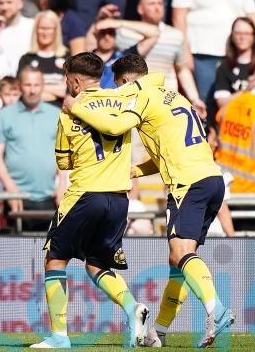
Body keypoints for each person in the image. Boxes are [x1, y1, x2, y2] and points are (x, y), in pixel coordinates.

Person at [65, 54, 235, 348]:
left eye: (118, 86)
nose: (118, 92)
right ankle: (158, 332)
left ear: (126, 80)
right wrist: (136, 170)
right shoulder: (173, 96)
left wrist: (76, 107)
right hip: (211, 179)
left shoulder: (141, 96)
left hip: (188, 183)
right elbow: (169, 149)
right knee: (178, 260)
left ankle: (215, 310)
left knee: (181, 252)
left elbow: (115, 127)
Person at [31, 53, 148, 349]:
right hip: (119, 199)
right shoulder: (122, 101)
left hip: (85, 195)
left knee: (55, 260)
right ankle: (133, 307)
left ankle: (59, 337)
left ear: (74, 81)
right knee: (96, 264)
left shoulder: (70, 109)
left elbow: (64, 162)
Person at [0, 67, 61, 225]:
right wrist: (10, 187)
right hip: (17, 197)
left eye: (36, 85)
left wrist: (63, 186)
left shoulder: (56, 114)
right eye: (28, 85)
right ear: (20, 86)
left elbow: (65, 155)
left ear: (43, 86)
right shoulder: (4, 116)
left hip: (51, 197)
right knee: (16, 241)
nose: (32, 90)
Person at [214, 17, 255, 109]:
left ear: (254, 36)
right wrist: (247, 89)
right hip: (238, 113)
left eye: (247, 33)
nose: (242, 37)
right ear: (232, 36)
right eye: (238, 33)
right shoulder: (224, 66)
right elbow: (221, 103)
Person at [18, 10, 67, 107]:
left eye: (49, 28)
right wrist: (56, 90)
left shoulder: (68, 57)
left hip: (60, 112)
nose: (45, 33)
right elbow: (23, 91)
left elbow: (67, 91)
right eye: (42, 28)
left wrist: (38, 89)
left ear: (56, 30)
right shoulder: (26, 59)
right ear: (36, 30)